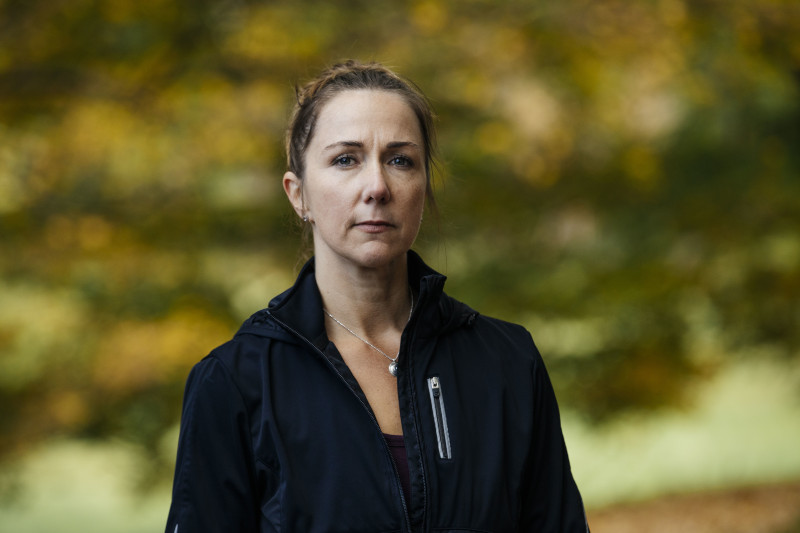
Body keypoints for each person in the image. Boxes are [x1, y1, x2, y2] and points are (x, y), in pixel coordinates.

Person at [165, 60, 589, 532]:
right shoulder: (236, 382)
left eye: (400, 160)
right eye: (345, 159)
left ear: (424, 188)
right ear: (298, 193)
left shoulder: (507, 362)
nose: (377, 187)